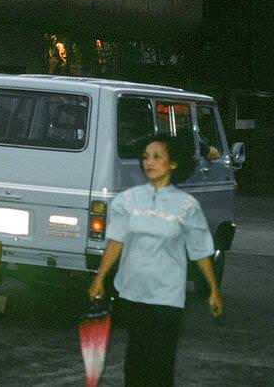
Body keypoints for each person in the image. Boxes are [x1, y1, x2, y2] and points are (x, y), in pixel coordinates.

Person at [88, 133, 222, 387]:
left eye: (157, 157)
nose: (149, 162)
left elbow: (200, 250)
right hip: (133, 292)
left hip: (166, 296)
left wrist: (213, 290)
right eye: (146, 157)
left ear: (174, 164)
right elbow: (115, 241)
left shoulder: (187, 206)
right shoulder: (127, 200)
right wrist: (99, 279)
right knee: (135, 359)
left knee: (160, 361)